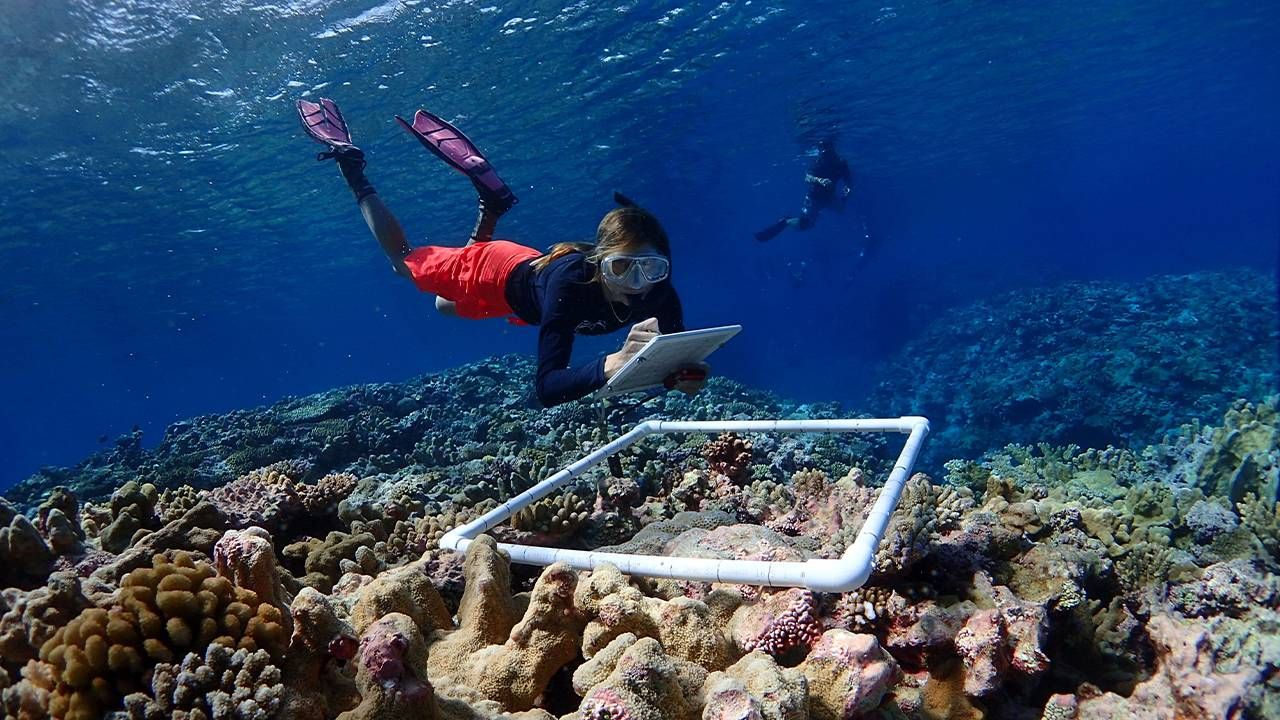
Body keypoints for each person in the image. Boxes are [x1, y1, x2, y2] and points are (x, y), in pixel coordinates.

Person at [296, 98, 707, 408]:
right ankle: (351, 167)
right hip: (493, 274)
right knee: (402, 262)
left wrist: (681, 377)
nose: (637, 286)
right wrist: (611, 364)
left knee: (444, 305)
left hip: (522, 273)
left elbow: (664, 362)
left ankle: (490, 206)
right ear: (599, 265)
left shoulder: (661, 294)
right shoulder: (571, 286)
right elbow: (548, 387)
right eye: (621, 268)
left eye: (650, 269)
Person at [755, 138, 855, 242]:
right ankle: (787, 221)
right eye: (824, 151)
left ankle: (817, 213)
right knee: (806, 225)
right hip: (814, 198)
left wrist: (848, 190)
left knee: (841, 210)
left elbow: (848, 180)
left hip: (830, 197)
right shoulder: (818, 162)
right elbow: (807, 177)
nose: (826, 154)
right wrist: (819, 180)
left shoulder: (841, 163)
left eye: (829, 151)